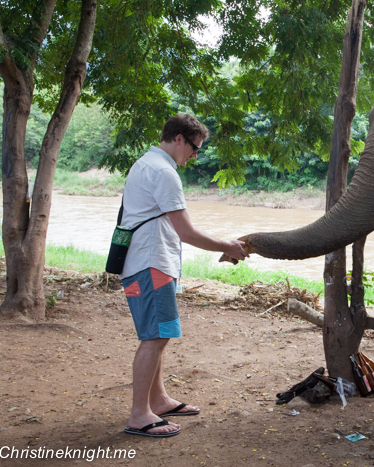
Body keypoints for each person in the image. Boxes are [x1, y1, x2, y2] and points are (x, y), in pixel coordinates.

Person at [119, 114, 248, 437]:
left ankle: (158, 400)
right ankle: (139, 414)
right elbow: (186, 233)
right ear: (178, 138)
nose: (195, 155)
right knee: (157, 335)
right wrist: (227, 246)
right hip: (152, 265)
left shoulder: (145, 164)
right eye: (194, 148)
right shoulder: (164, 172)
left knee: (154, 333)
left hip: (138, 266)